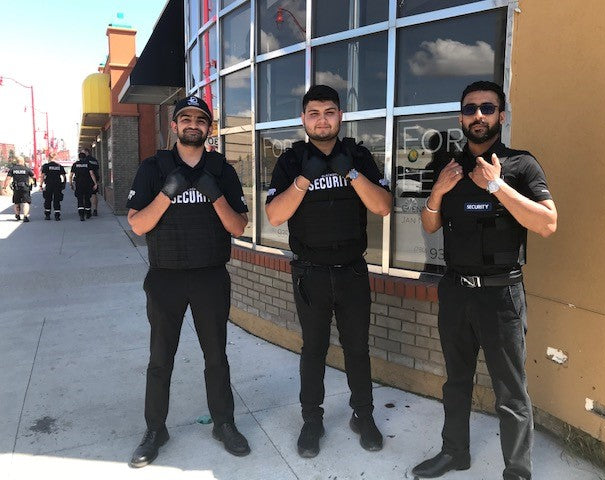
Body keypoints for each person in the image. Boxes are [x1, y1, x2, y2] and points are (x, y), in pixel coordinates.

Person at [412, 81, 558, 480]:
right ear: (461, 117)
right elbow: (430, 226)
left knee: (510, 392)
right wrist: (437, 194)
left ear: (501, 116)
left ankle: (517, 471)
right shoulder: (449, 167)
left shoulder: (522, 164)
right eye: (471, 108)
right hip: (457, 293)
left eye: (488, 108)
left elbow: (547, 223)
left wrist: (496, 185)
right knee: (455, 382)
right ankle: (454, 453)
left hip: (501, 296)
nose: (479, 115)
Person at [265, 85, 392, 458]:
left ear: (341, 116)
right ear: (304, 119)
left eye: (330, 112)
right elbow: (274, 216)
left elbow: (383, 206)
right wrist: (304, 179)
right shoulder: (290, 161)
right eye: (314, 113)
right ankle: (312, 421)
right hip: (310, 273)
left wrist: (350, 172)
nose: (323, 120)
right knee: (314, 351)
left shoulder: (357, 156)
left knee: (357, 349)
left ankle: (363, 416)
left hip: (352, 271)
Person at [126, 95, 250, 468]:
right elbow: (137, 224)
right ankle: (155, 429)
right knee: (160, 358)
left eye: (200, 119)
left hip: (210, 276)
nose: (192, 124)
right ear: (175, 126)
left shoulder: (222, 170)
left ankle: (224, 423)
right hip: (165, 278)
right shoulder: (153, 167)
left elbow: (239, 226)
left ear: (208, 128)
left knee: (216, 356)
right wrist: (167, 193)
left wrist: (216, 198)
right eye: (185, 118)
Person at [3, 155, 36, 222]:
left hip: (16, 188)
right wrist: (34, 183)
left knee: (16, 201)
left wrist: (4, 187)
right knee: (26, 202)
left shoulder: (13, 169)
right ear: (23, 161)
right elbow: (33, 176)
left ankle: (17, 215)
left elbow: (8, 179)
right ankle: (25, 216)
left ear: (16, 161)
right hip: (25, 187)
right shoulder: (26, 169)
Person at [69, 152, 98, 221]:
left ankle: (81, 215)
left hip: (79, 184)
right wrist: (95, 183)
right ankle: (88, 213)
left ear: (79, 157)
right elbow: (91, 174)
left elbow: (71, 175)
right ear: (85, 157)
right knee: (87, 198)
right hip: (87, 184)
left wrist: (71, 184)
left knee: (80, 199)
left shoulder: (75, 164)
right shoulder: (88, 164)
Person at [40, 152, 66, 221]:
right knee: (57, 200)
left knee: (48, 199)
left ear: (49, 157)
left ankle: (47, 215)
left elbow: (42, 176)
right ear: (55, 157)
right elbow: (63, 176)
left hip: (49, 185)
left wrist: (40, 185)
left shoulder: (46, 166)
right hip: (57, 185)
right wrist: (63, 184)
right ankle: (57, 215)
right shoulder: (59, 166)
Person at [83, 148, 101, 216]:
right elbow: (97, 169)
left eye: (83, 152)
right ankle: (95, 210)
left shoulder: (85, 160)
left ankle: (86, 209)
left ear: (86, 152)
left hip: (87, 179)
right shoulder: (95, 160)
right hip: (95, 179)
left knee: (85, 195)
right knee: (94, 194)